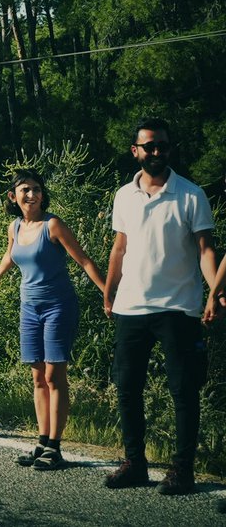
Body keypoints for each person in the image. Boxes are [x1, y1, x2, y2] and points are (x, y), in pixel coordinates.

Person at [102, 118, 218, 495]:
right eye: (149, 146)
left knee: (183, 390)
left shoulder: (191, 195)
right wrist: (109, 290)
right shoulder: (124, 195)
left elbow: (205, 250)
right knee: (127, 387)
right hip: (131, 306)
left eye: (162, 146)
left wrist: (215, 290)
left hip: (178, 307)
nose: (156, 152)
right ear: (134, 150)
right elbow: (120, 247)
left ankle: (182, 470)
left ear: (169, 149)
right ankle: (135, 464)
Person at [0, 169, 106, 470]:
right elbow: (10, 256)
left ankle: (55, 446)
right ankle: (42, 442)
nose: (32, 195)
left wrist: (108, 294)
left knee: (55, 376)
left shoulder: (52, 225)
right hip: (29, 308)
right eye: (25, 190)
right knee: (38, 377)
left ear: (42, 194)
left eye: (36, 189)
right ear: (13, 197)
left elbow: (84, 260)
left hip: (58, 306)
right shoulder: (14, 227)